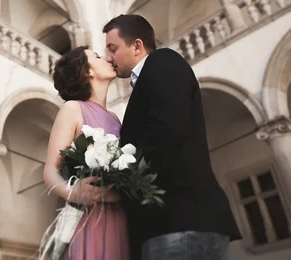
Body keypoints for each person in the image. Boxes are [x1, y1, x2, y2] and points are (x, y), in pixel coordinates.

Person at [103, 14, 241, 260]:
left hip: (182, 219)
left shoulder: (162, 62)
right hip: (170, 224)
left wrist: (123, 180)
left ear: (137, 45)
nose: (108, 57)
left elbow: (166, 132)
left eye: (113, 49)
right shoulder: (147, 78)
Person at [43, 46, 130, 260]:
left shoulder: (115, 118)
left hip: (119, 214)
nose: (107, 58)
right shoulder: (73, 109)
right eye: (98, 57)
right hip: (89, 216)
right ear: (87, 72)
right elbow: (50, 171)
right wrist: (73, 192)